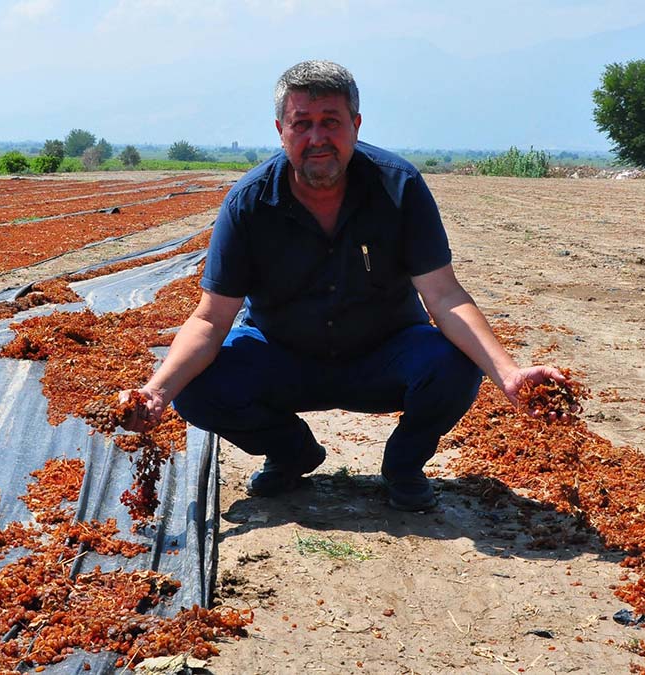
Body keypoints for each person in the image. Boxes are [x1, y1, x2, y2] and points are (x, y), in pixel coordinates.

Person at [120, 60, 571, 511]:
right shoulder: (250, 203)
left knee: (454, 362)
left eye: (330, 122)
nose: (317, 138)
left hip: (382, 357)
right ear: (281, 130)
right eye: (302, 124)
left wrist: (509, 375)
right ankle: (290, 452)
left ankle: (403, 466)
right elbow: (211, 318)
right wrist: (157, 392)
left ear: (355, 124)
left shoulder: (399, 187)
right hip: (283, 358)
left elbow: (445, 295)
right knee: (196, 387)